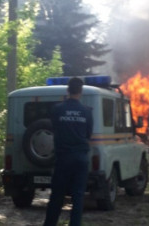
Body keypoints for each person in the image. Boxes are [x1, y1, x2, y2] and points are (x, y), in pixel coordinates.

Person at [43, 77, 93, 226]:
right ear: (81, 91)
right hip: (81, 159)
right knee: (78, 197)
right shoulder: (86, 112)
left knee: (57, 195)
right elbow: (88, 134)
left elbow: (54, 129)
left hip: (63, 158)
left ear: (67, 90)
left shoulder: (57, 109)